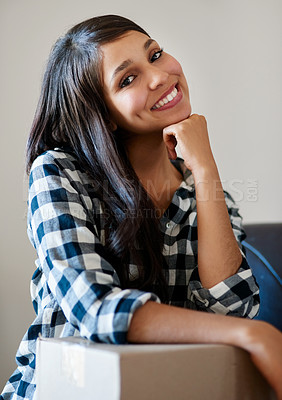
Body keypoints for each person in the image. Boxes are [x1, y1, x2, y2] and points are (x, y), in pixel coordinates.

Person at [1, 14, 281, 400]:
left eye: (155, 54)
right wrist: (254, 334)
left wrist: (205, 167)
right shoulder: (59, 173)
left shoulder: (204, 193)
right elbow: (94, 306)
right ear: (104, 116)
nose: (159, 76)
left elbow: (231, 309)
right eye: (127, 79)